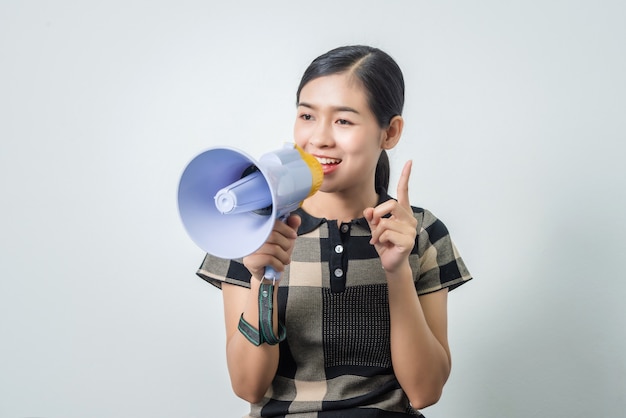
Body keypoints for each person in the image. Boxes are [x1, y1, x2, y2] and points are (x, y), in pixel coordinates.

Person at [196, 45, 472, 417]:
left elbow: (424, 392)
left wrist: (398, 270)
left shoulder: (420, 232)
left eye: (343, 121)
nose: (319, 138)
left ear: (389, 132)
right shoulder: (248, 228)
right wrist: (263, 280)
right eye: (307, 115)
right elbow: (248, 387)